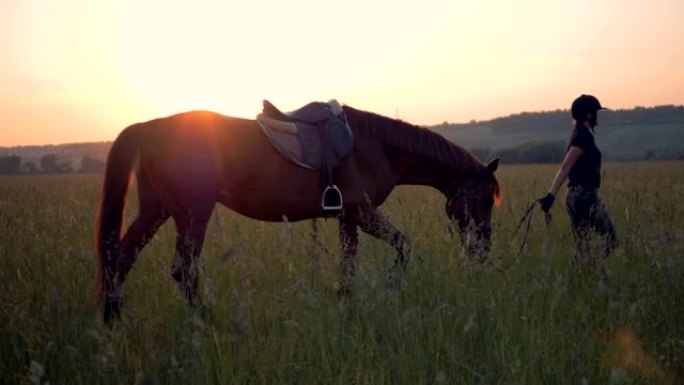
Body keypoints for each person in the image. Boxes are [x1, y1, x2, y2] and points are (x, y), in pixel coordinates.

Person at [538, 94, 618, 270]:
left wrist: (553, 196)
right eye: (596, 112)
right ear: (588, 115)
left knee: (582, 246)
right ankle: (595, 270)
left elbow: (567, 166)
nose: (598, 116)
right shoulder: (583, 137)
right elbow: (566, 165)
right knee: (611, 239)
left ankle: (581, 275)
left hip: (574, 197)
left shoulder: (579, 134)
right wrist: (551, 195)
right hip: (584, 196)